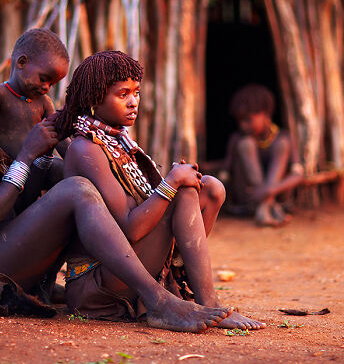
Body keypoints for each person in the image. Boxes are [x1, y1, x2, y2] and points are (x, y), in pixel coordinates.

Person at [0, 31, 231, 333]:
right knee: (76, 189)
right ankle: (157, 300)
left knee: (61, 173)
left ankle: (132, 288)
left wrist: (59, 151)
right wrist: (26, 156)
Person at [55, 50, 266, 330]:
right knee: (183, 192)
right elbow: (130, 229)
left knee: (211, 188)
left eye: (136, 93)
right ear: (95, 99)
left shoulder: (119, 142)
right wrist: (169, 184)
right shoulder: (86, 149)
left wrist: (174, 183)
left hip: (123, 272)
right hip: (96, 284)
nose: (133, 102)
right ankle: (208, 302)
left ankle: (183, 289)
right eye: (122, 95)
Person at [0, 28, 69, 211]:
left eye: (52, 84)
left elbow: (58, 135)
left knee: (63, 171)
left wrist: (76, 155)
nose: (46, 87)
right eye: (44, 79)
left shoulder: (44, 102)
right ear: (21, 62)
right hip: (5, 171)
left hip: (37, 168)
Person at [220, 84, 304, 226]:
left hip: (279, 197)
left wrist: (271, 189)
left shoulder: (284, 137)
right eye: (239, 121)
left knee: (282, 144)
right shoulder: (237, 139)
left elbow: (298, 174)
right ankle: (268, 207)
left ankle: (266, 205)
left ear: (266, 115)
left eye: (247, 120)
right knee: (245, 144)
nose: (242, 125)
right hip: (248, 200)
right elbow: (225, 174)